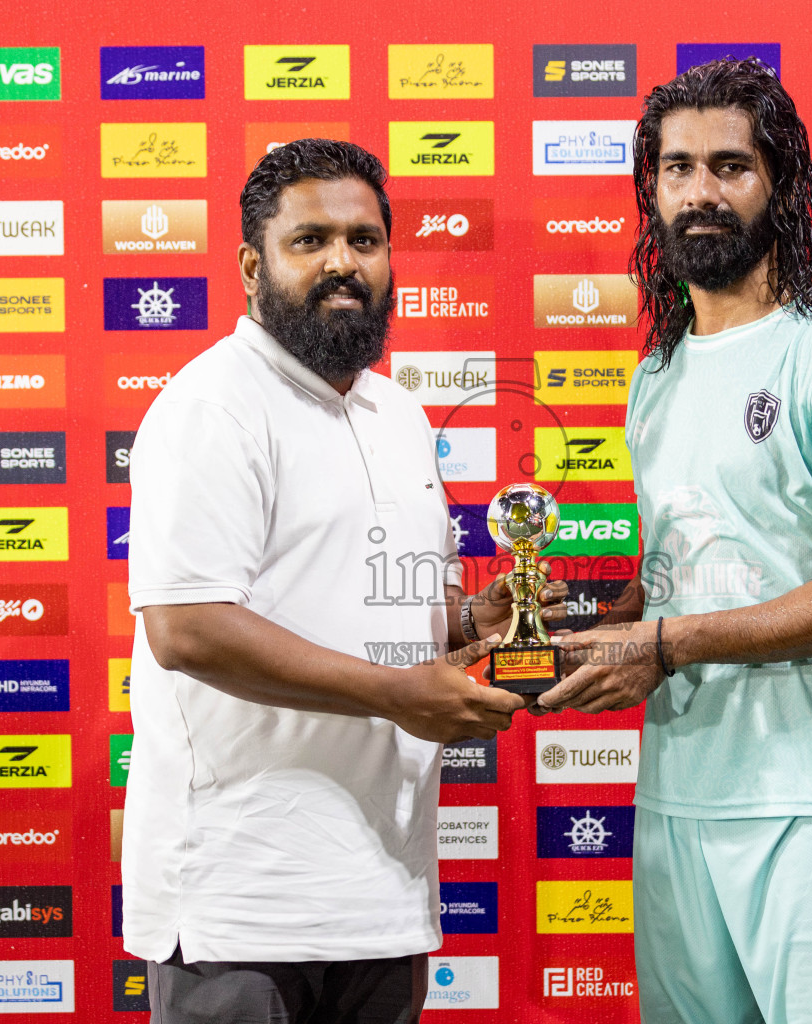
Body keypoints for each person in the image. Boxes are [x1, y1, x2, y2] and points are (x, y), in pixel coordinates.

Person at [121, 139, 561, 1024]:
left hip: (383, 895)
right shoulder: (212, 406)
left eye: (364, 241)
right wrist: (397, 696)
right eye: (309, 240)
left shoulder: (397, 413)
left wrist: (487, 617)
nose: (341, 263)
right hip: (241, 907)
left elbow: (407, 619)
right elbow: (188, 628)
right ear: (253, 264)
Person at [538, 59, 812, 1024]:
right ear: (651, 192)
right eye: (675, 170)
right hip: (680, 797)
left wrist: (663, 646)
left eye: (728, 166)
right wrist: (594, 625)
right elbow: (686, 578)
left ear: (780, 184)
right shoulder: (657, 376)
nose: (699, 193)